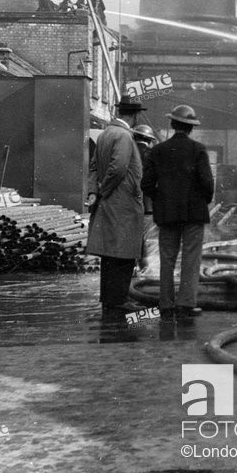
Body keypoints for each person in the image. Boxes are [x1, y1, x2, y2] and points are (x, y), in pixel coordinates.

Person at [141, 105, 214, 317]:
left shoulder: (157, 151)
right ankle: (187, 304)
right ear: (191, 128)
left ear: (172, 124)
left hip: (167, 214)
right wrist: (203, 201)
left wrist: (160, 200)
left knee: (167, 258)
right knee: (191, 258)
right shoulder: (198, 150)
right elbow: (207, 183)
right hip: (194, 214)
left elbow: (146, 185)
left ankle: (165, 304)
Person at [86, 95, 146, 314]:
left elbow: (93, 166)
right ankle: (118, 301)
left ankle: (109, 300)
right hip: (123, 204)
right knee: (123, 255)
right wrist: (104, 190)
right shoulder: (123, 136)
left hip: (109, 203)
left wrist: (94, 191)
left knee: (110, 255)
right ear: (135, 115)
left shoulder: (104, 134)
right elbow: (119, 168)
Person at [133, 124, 158, 273]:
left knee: (131, 235)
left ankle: (135, 266)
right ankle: (144, 266)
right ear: (149, 140)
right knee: (143, 237)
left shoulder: (128, 152)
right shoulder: (153, 155)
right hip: (148, 205)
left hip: (129, 202)